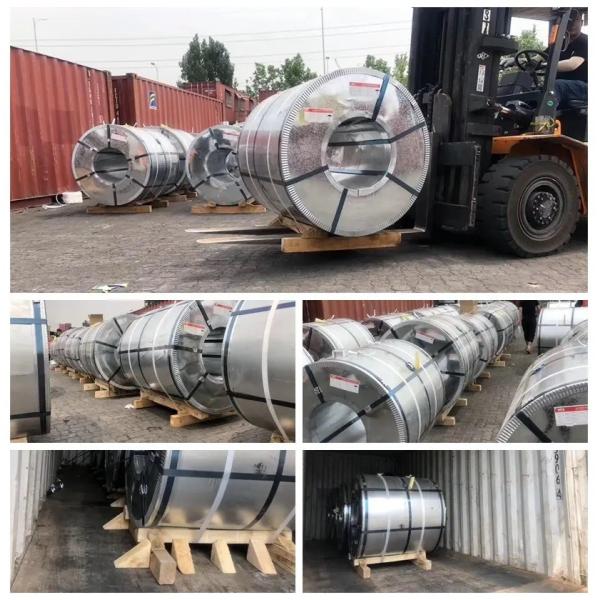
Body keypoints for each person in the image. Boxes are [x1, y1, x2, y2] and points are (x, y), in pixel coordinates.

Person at [554, 10, 587, 108]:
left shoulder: (585, 41)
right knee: (534, 89)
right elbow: (540, 56)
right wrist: (517, 61)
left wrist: (546, 66)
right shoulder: (559, 43)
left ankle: (545, 116)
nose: (572, 24)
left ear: (581, 22)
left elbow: (572, 64)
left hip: (584, 86)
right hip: (566, 86)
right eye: (569, 20)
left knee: (556, 86)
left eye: (575, 20)